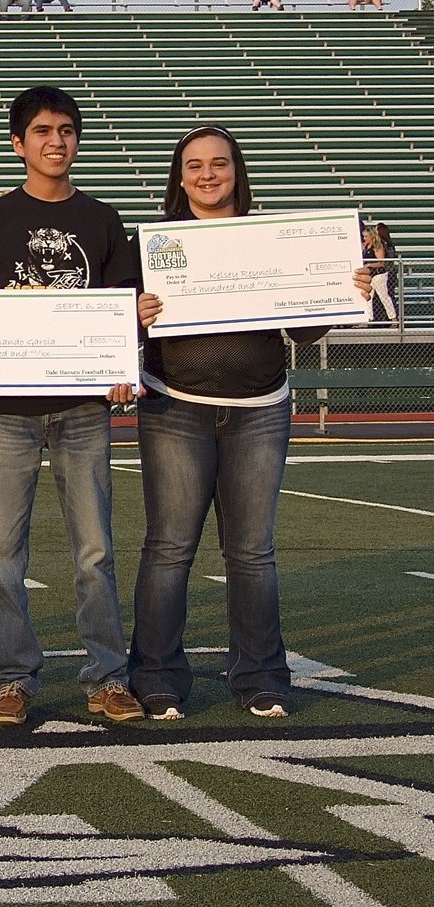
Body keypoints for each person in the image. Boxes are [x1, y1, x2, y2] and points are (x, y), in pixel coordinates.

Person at [129, 125, 372, 721]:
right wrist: (134, 315)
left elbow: (305, 330)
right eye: (194, 165)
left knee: (252, 552)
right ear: (178, 176)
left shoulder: (273, 241)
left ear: (238, 171)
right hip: (175, 406)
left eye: (219, 164)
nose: (207, 175)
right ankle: (156, 676)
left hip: (261, 409)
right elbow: (127, 330)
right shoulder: (155, 244)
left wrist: (344, 291)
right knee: (169, 548)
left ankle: (260, 675)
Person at [0, 86, 143, 727]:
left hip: (85, 408)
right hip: (7, 411)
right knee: (4, 553)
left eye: (66, 129)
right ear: (18, 142)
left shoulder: (103, 220)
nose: (55, 141)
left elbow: (122, 315)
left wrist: (122, 369)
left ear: (77, 138)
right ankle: (13, 678)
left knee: (94, 550)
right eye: (41, 130)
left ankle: (107, 677)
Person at [363, 223, 398, 324]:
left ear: (371, 236)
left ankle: (393, 318)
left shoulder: (377, 246)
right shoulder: (366, 247)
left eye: (366, 236)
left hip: (378, 275)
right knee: (368, 297)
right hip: (370, 276)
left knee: (384, 297)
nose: (364, 238)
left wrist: (369, 265)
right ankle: (369, 319)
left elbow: (381, 263)